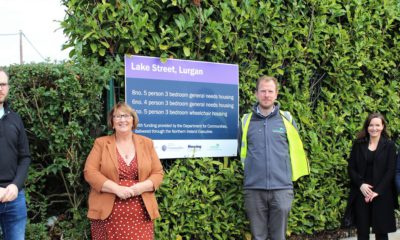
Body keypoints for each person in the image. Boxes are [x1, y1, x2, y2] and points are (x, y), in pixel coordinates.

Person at [238, 75, 310, 240]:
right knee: (258, 236)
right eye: (262, 91)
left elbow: (295, 149)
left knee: (279, 236)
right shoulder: (245, 121)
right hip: (254, 188)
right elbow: (241, 150)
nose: (266, 95)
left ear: (276, 94)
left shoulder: (287, 120)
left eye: (270, 91)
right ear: (256, 94)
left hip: (282, 188)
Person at [84, 102, 164, 240]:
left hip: (140, 214)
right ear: (112, 122)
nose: (122, 120)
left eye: (126, 116)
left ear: (133, 120)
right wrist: (116, 189)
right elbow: (90, 172)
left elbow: (158, 173)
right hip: (107, 214)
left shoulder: (147, 143)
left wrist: (140, 187)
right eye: (117, 116)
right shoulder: (101, 143)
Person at [346, 113, 397, 240]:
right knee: (362, 233)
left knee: (381, 233)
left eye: (377, 125)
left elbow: (390, 171)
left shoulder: (389, 145)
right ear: (367, 127)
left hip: (382, 194)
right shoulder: (359, 144)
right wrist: (361, 185)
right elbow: (351, 168)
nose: (374, 128)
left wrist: (377, 192)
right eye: (371, 125)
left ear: (383, 126)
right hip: (361, 193)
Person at [0, 69, 31, 240]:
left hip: (14, 197)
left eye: (3, 84)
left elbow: (24, 157)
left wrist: (15, 185)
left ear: (8, 87)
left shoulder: (15, 118)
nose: (0, 89)